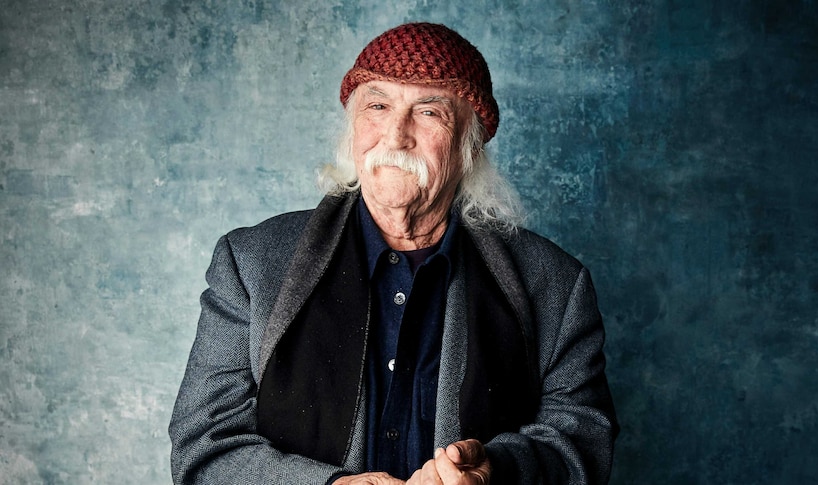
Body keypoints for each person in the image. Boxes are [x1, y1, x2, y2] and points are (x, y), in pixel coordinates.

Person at [169, 22, 618, 485]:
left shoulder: (556, 285)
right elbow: (204, 446)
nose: (396, 135)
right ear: (353, 126)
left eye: (428, 112)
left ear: (470, 143)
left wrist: (497, 472)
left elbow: (583, 442)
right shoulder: (251, 264)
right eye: (378, 105)